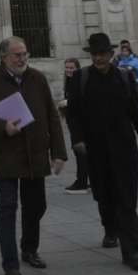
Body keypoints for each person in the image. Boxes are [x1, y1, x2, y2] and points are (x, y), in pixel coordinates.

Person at [0, 36, 66, 275]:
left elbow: (52, 117)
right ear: (4, 58)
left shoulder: (37, 78)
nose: (23, 59)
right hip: (7, 158)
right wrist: (1, 126)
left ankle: (29, 249)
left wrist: (58, 152)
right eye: (18, 55)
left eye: (25, 54)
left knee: (36, 207)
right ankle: (10, 265)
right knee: (8, 209)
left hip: (35, 156)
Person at [68, 32, 138, 271]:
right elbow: (73, 113)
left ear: (111, 54)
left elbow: (136, 114)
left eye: (102, 54)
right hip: (95, 149)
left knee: (127, 199)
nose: (98, 58)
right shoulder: (80, 79)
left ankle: (131, 252)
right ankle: (109, 228)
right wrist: (77, 139)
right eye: (94, 54)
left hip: (124, 148)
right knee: (103, 195)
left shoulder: (124, 78)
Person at [60, 58, 89, 194]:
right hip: (73, 122)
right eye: (67, 67)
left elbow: (78, 101)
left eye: (71, 68)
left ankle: (82, 181)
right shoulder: (69, 82)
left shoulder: (79, 82)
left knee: (81, 152)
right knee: (80, 152)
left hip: (81, 123)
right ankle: (85, 180)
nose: (69, 70)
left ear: (77, 68)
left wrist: (66, 103)